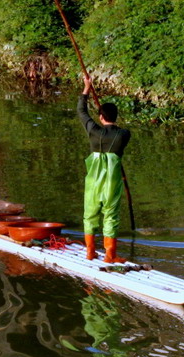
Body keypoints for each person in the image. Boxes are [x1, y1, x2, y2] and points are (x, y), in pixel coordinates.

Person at [77, 74, 131, 263]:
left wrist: (86, 88)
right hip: (111, 181)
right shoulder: (124, 134)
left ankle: (90, 252)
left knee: (90, 214)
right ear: (116, 117)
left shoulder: (93, 130)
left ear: (100, 117)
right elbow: (117, 134)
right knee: (111, 215)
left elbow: (82, 112)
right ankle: (110, 255)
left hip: (93, 180)